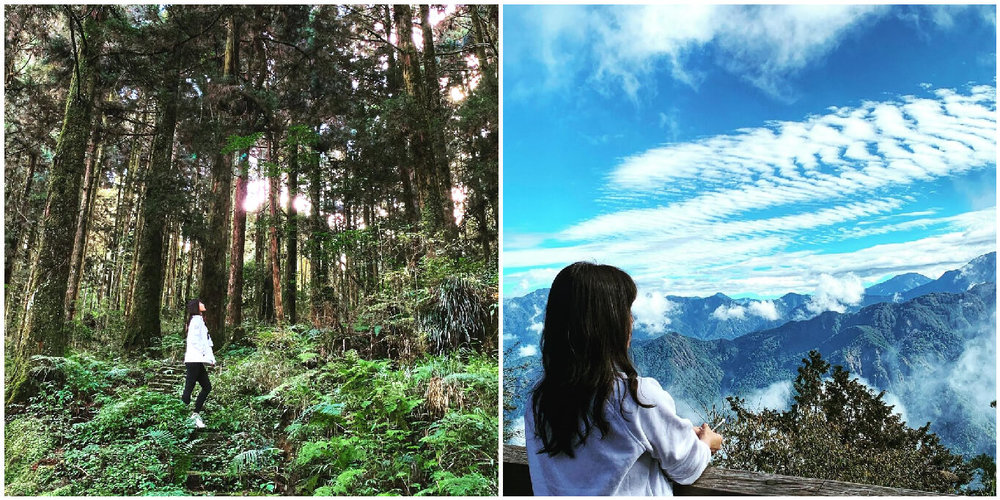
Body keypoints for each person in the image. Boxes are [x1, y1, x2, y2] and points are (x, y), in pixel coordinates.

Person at [525, 262, 723, 496]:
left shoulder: (538, 400)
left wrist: (678, 431)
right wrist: (707, 442)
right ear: (609, 325)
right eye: (626, 311)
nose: (632, 321)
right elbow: (685, 468)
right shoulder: (636, 397)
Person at [183, 298, 215, 429]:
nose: (203, 304)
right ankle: (181, 415)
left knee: (206, 387)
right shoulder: (196, 321)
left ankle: (195, 413)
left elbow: (206, 340)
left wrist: (210, 358)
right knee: (189, 388)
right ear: (196, 306)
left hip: (196, 360)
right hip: (194, 359)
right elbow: (196, 341)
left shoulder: (198, 320)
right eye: (200, 303)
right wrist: (205, 355)